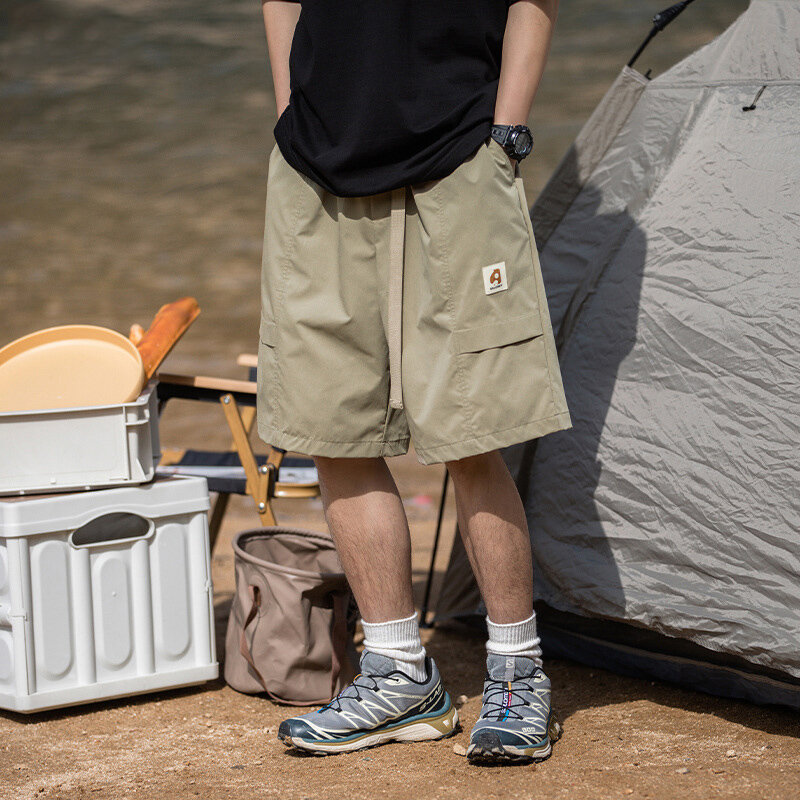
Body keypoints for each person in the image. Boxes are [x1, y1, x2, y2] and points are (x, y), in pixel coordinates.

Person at [259, 0, 571, 764]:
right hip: (317, 168)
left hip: (460, 161)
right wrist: (290, 112)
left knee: (474, 432)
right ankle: (399, 674)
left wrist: (506, 135)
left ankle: (515, 672)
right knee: (334, 429)